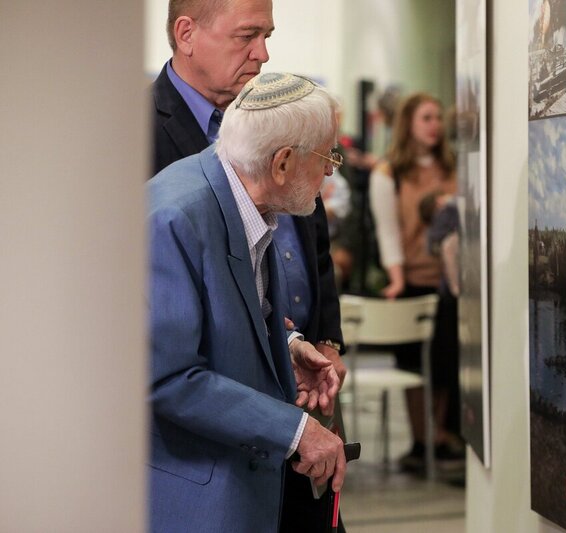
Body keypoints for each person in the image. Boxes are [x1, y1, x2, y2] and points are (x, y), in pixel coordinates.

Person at [150, 2, 347, 530]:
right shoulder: (176, 214)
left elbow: (224, 309)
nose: (330, 176)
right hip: (205, 491)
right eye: (326, 160)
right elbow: (167, 374)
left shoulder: (246, 197)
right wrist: (294, 430)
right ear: (282, 163)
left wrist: (284, 347)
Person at [368, 93, 463, 472]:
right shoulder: (388, 172)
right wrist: (395, 278)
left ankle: (441, 436)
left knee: (445, 365)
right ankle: (421, 439)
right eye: (426, 117)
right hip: (413, 281)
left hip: (451, 282)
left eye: (438, 117)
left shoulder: (454, 168)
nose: (435, 125)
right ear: (409, 123)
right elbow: (388, 233)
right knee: (415, 369)